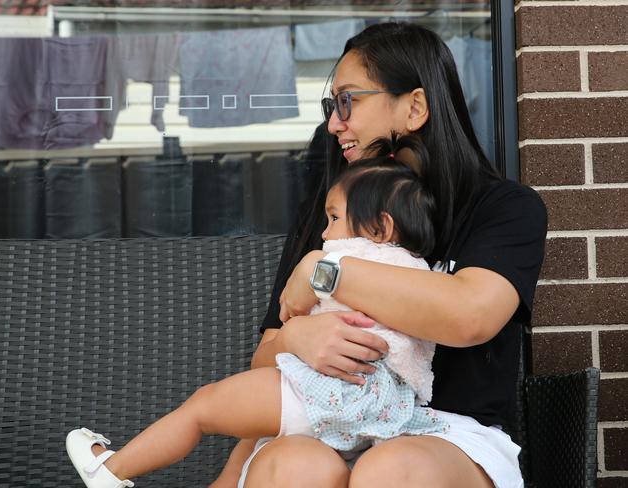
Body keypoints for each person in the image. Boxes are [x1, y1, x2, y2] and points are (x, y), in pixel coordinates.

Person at [212, 22, 547, 488]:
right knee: (294, 466)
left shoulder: (501, 208)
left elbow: (471, 315)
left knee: (389, 469)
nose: (334, 123)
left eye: (348, 101)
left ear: (414, 107)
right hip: (327, 425)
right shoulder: (329, 213)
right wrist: (296, 341)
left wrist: (324, 270)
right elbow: (264, 361)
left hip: (450, 438)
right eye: (331, 106)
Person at [65, 137, 450, 488]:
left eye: (334, 218)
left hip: (332, 393)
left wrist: (314, 270)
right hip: (382, 412)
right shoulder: (416, 275)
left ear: (381, 228)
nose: (326, 233)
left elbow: (294, 310)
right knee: (243, 437)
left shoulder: (343, 261)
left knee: (203, 407)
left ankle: (111, 471)